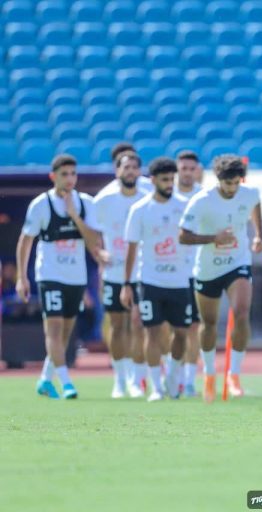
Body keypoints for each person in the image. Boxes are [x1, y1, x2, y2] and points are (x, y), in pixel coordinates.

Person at [16, 154, 101, 399]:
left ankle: (45, 379)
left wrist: (74, 215)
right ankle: (66, 383)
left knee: (65, 333)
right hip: (50, 275)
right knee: (53, 329)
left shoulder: (85, 203)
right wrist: (22, 277)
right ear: (53, 176)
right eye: (64, 174)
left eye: (73, 174)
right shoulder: (41, 205)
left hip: (76, 277)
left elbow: (94, 240)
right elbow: (25, 241)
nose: (70, 179)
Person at [180, 155, 262, 403]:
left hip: (238, 262)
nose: (232, 188)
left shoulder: (249, 193)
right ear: (218, 180)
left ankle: (234, 374)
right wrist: (213, 239)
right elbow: (183, 236)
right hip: (207, 269)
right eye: (228, 184)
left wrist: (259, 235)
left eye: (236, 183)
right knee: (209, 323)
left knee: (241, 312)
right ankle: (209, 372)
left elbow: (255, 204)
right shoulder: (201, 201)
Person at [120, 158, 192, 401]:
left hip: (180, 281)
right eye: (164, 180)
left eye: (171, 179)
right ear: (152, 181)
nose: (169, 184)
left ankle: (173, 375)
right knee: (151, 333)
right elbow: (131, 249)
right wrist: (127, 284)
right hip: (150, 281)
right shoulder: (140, 210)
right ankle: (156, 387)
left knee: (181, 333)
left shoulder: (184, 206)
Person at [92, 151, 149, 398]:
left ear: (139, 171)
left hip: (142, 273)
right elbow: (90, 230)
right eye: (126, 167)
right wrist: (98, 252)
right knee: (117, 325)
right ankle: (119, 380)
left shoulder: (147, 199)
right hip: (114, 272)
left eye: (134, 167)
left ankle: (137, 380)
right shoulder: (104, 200)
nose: (130, 171)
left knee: (138, 324)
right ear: (117, 171)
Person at [174, 150, 204, 397]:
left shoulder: (204, 197)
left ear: (198, 171)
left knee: (194, 327)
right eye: (183, 168)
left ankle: (189, 379)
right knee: (171, 328)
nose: (187, 173)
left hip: (196, 270)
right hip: (169, 272)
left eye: (191, 169)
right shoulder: (167, 197)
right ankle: (172, 374)